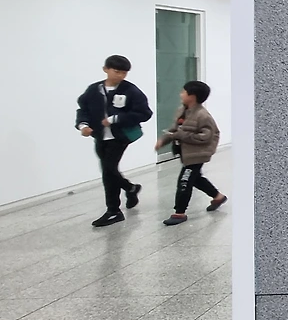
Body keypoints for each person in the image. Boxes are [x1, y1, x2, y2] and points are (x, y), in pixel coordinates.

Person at [76, 55, 153, 228]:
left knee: (108, 170)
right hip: (100, 136)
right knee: (109, 170)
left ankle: (113, 210)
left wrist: (116, 119)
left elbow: (144, 113)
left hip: (120, 136)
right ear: (106, 69)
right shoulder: (94, 90)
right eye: (117, 71)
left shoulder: (130, 90)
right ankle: (130, 188)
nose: (120, 76)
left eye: (124, 73)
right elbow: (83, 109)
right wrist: (83, 125)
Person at [155, 80, 227, 225]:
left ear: (192, 96)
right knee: (195, 178)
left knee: (185, 180)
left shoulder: (203, 115)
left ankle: (179, 213)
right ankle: (218, 197)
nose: (180, 94)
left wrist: (183, 135)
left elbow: (206, 137)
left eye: (183, 92)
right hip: (186, 153)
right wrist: (164, 140)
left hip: (198, 154)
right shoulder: (182, 111)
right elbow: (174, 130)